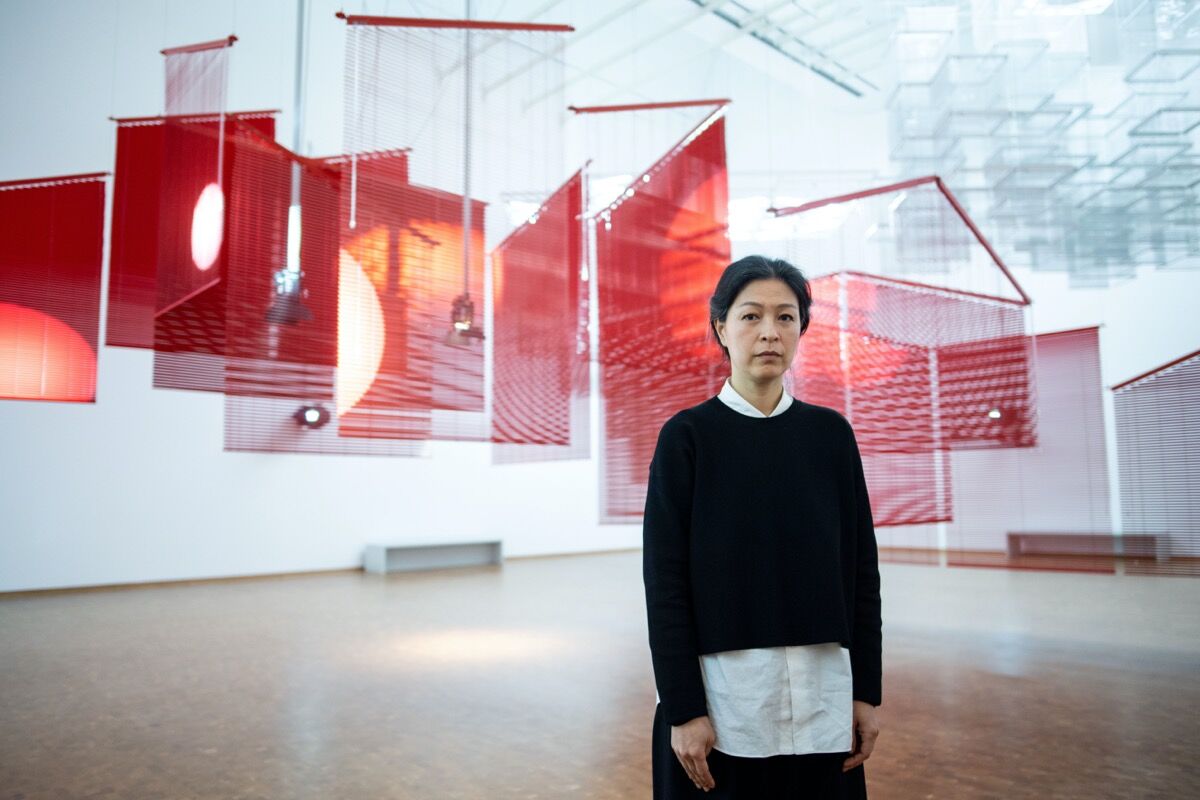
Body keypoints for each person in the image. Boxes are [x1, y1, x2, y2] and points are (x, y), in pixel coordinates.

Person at [643, 255, 882, 798]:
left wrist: (866, 691)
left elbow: (861, 575)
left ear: (802, 329)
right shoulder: (687, 439)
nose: (770, 332)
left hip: (823, 705)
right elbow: (665, 585)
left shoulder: (830, 437)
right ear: (721, 327)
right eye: (751, 316)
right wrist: (683, 709)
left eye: (786, 317)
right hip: (725, 709)